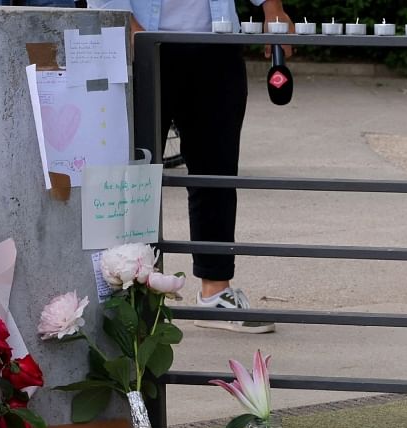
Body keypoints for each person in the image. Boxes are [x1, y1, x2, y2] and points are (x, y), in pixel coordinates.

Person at [92, 0, 289, 333]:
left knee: (216, 173)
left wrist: (273, 8)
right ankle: (127, 292)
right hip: (143, 44)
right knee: (132, 178)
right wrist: (124, 24)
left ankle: (216, 290)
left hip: (218, 44)